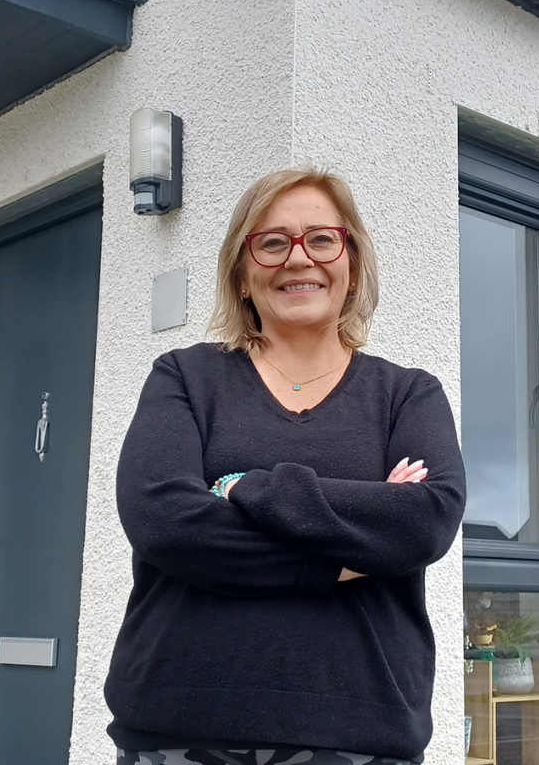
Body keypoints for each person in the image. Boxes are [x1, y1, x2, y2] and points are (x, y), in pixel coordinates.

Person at [104, 168, 466, 765]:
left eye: (322, 239)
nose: (299, 259)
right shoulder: (184, 377)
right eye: (272, 243)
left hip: (360, 729)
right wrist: (344, 547)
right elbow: (164, 522)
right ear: (243, 275)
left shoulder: (408, 394)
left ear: (351, 264)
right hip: (178, 724)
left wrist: (243, 488)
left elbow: (423, 523)